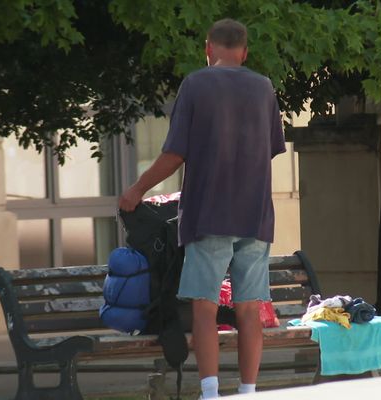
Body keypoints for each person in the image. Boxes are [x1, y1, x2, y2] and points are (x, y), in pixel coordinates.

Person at [119, 18, 286, 399]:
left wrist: (137, 189)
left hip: (210, 212)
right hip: (256, 215)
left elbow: (175, 154)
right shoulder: (264, 88)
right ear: (244, 52)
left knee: (204, 307)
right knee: (248, 308)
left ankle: (210, 393)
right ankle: (248, 391)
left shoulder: (195, 84)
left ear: (208, 48)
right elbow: (271, 148)